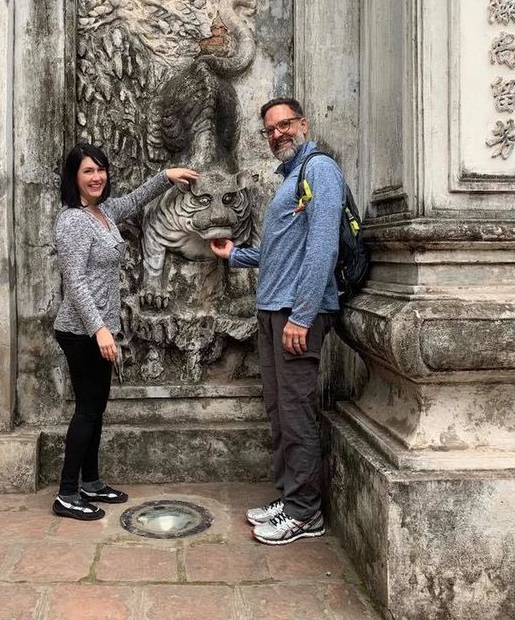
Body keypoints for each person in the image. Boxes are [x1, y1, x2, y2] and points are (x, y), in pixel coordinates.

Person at [210, 98, 344, 545]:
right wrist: (236, 256)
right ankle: (290, 497)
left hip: (295, 315)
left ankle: (306, 513)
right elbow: (279, 252)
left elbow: (323, 247)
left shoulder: (319, 170)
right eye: (270, 129)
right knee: (279, 410)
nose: (278, 134)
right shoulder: (290, 179)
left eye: (285, 125)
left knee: (297, 411)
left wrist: (302, 316)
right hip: (273, 311)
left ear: (303, 124)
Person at [52, 142, 198, 521]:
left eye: (100, 169)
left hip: (98, 329)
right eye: (88, 171)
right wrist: (100, 329)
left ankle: (91, 482)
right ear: (74, 178)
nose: (97, 176)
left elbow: (135, 199)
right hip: (80, 330)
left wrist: (165, 177)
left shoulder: (104, 213)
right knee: (87, 409)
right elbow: (76, 283)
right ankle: (67, 494)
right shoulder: (72, 221)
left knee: (96, 408)